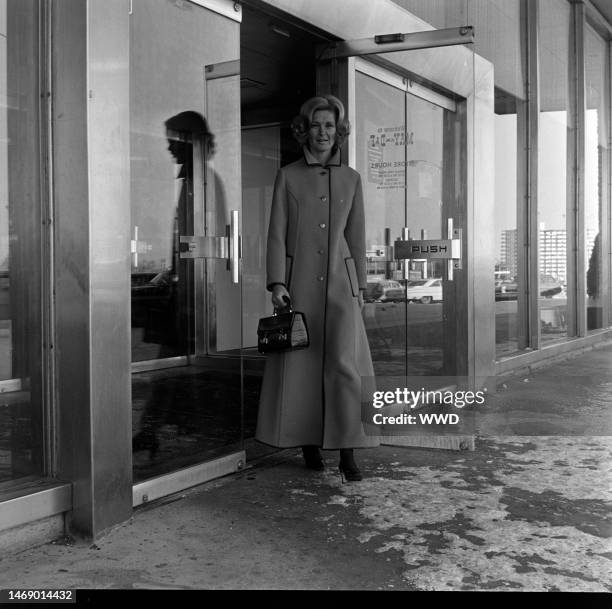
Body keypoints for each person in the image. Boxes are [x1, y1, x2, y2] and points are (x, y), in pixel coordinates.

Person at [255, 95, 379, 481]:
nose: (323, 132)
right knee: (303, 366)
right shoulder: (288, 176)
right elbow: (276, 234)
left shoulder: (352, 179)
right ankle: (308, 442)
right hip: (299, 285)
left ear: (338, 131)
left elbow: (356, 239)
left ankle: (348, 453)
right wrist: (277, 282)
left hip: (342, 287)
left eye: (329, 125)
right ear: (303, 130)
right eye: (316, 125)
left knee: (346, 368)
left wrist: (359, 288)